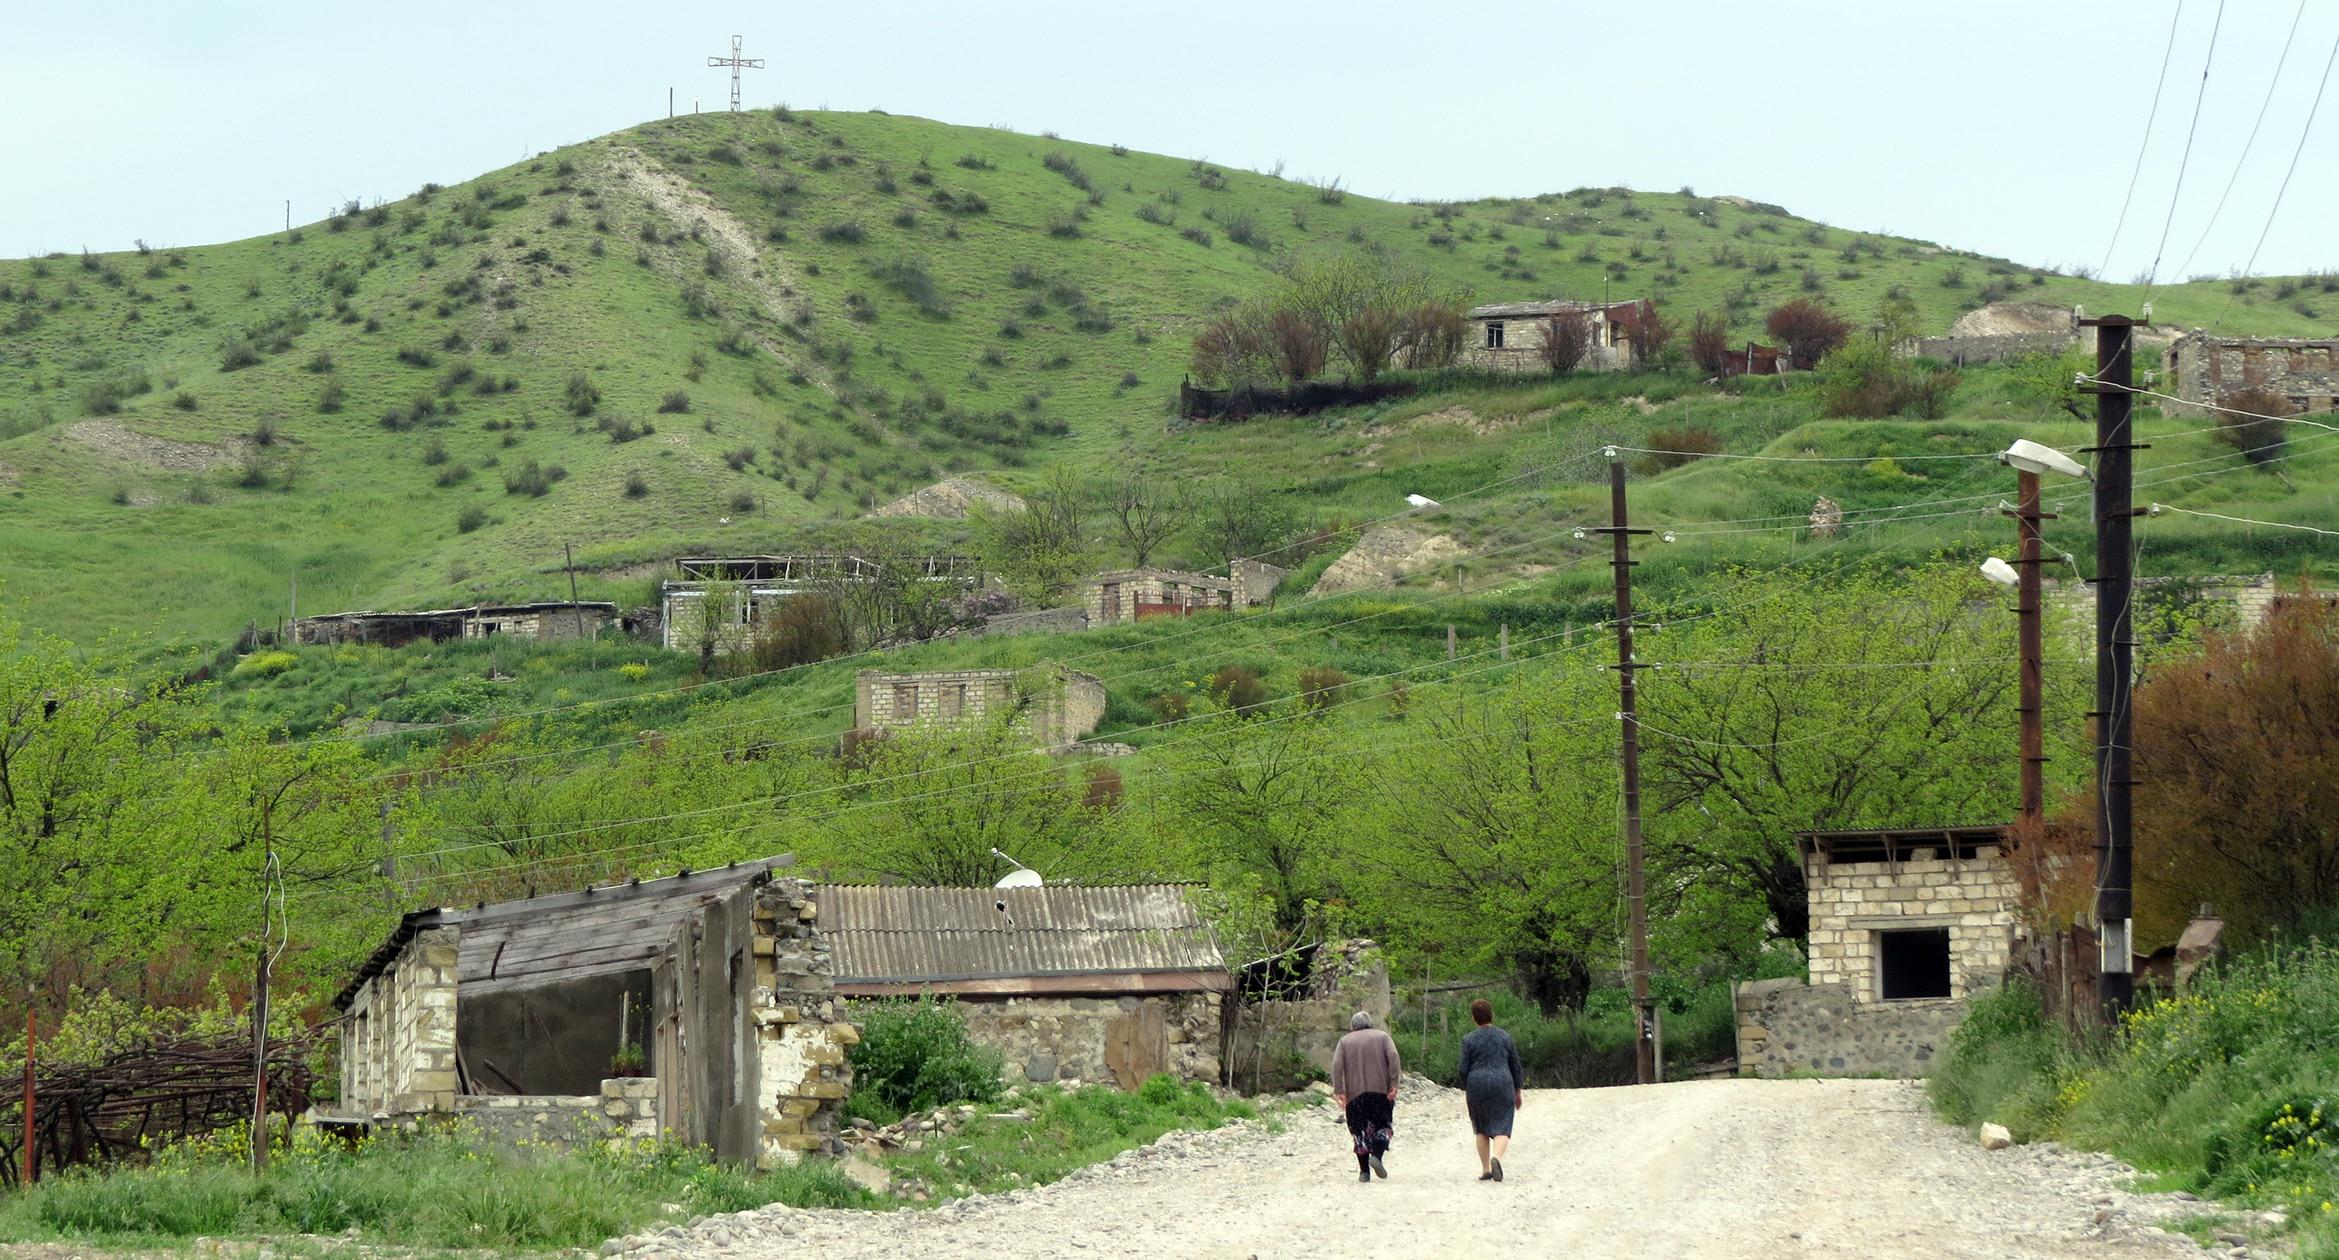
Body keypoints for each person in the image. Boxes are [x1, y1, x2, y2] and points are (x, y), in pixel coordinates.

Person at [1329, 1010, 1400, 1183]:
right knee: (1383, 1126)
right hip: (1380, 1092)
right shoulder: (1382, 1037)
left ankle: (1364, 1172)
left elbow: (1336, 1065)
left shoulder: (1344, 1041)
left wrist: (1339, 1090)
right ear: (1370, 1023)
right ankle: (1376, 1156)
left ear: (1352, 1026)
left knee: (1360, 1131)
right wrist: (1394, 1083)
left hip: (1355, 1095)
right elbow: (1393, 1056)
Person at [1459, 998, 1524, 1182]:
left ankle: (1486, 1168)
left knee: (1480, 1127)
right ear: (1491, 1015)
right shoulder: (1504, 1037)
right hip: (1502, 1082)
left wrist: (1467, 1086)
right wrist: (1517, 1090)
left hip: (1477, 1083)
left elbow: (1462, 1069)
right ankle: (1497, 1157)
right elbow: (1515, 1065)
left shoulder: (1468, 1040)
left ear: (1474, 1018)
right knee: (1503, 1124)